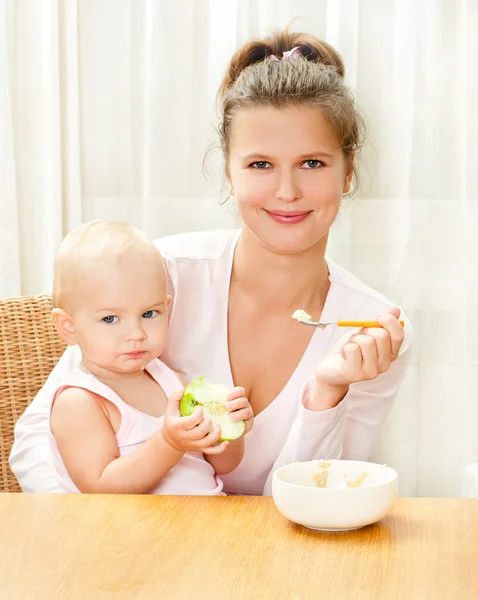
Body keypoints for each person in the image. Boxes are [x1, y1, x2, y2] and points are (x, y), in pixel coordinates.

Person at [10, 29, 411, 496]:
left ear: (348, 171)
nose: (286, 191)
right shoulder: (159, 274)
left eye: (312, 163)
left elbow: (321, 493)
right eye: (260, 164)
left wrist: (327, 393)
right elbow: (36, 440)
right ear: (229, 170)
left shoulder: (373, 337)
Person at [45, 220, 253, 494]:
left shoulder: (170, 381)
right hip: (132, 534)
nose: (136, 333)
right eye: (110, 318)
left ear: (167, 308)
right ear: (68, 327)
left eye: (149, 314)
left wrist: (231, 428)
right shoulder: (79, 401)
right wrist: (169, 443)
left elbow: (222, 465)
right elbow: (101, 486)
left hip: (206, 523)